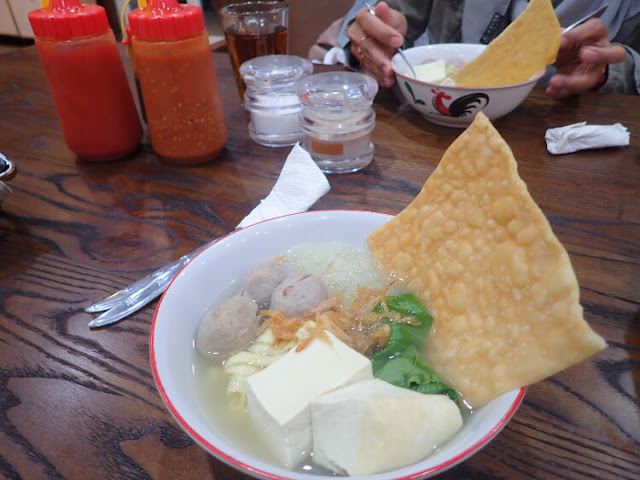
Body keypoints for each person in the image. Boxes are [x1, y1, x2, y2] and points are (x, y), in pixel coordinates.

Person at [329, 0, 640, 98]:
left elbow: (630, 68)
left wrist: (613, 72)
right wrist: (372, 38)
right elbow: (381, 12)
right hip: (430, 131)